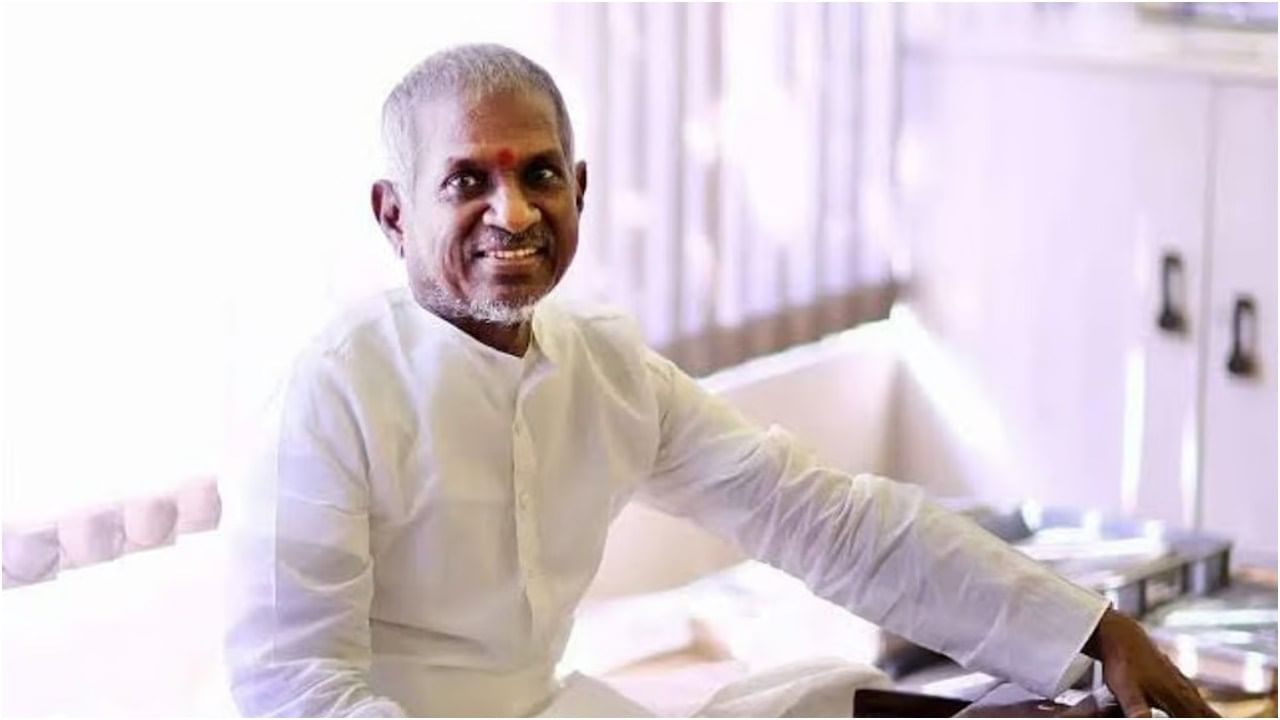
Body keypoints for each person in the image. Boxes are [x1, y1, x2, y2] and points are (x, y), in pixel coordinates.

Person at [224, 43, 1217, 718]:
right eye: (466, 181)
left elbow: (821, 519)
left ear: (580, 189)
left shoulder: (603, 366)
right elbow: (293, 689)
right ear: (393, 214)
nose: (513, 213)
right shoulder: (332, 395)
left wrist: (1092, 629)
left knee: (826, 693)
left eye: (538, 174)